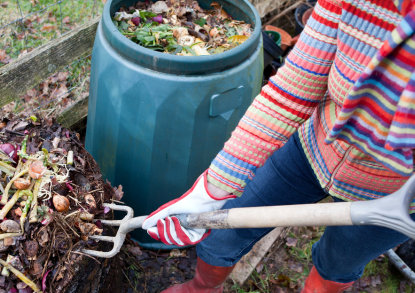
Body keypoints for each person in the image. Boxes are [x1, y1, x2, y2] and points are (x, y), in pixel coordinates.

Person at [142, 0, 415, 291]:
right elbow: (293, 89)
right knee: (222, 233)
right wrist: (213, 188)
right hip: (312, 149)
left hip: (394, 194)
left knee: (337, 265)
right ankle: (201, 287)